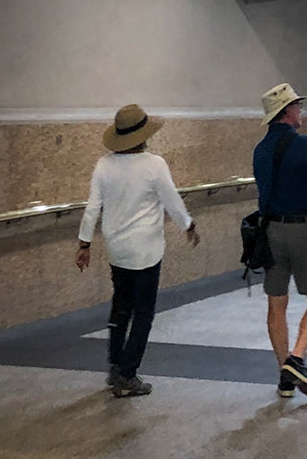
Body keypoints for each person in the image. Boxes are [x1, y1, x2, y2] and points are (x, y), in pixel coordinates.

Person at [75, 103, 200, 398]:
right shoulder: (154, 164)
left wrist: (84, 244)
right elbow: (171, 200)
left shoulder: (104, 165)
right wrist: (188, 225)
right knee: (143, 314)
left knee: (120, 308)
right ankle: (128, 375)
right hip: (146, 251)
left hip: (117, 250)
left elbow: (93, 207)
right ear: (143, 136)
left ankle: (115, 365)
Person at [253, 83, 307, 400]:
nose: (300, 110)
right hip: (303, 230)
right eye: (297, 106)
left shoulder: (260, 149)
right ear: (286, 112)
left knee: (277, 303)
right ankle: (297, 358)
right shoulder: (304, 146)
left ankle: (284, 379)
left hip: (271, 231)